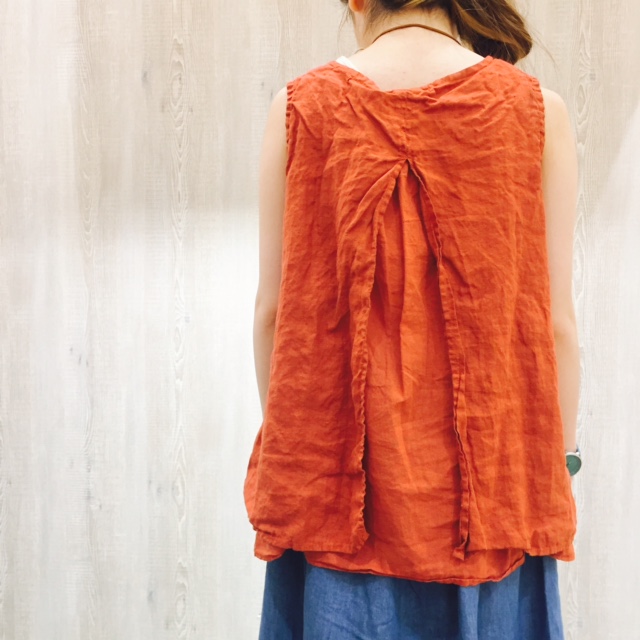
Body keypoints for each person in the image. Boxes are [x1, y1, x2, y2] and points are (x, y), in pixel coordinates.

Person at [245, 0, 582, 637]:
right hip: (492, 507)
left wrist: (306, 460)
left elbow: (273, 315)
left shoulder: (300, 108)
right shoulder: (538, 111)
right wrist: (558, 466)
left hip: (338, 517)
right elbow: (555, 324)